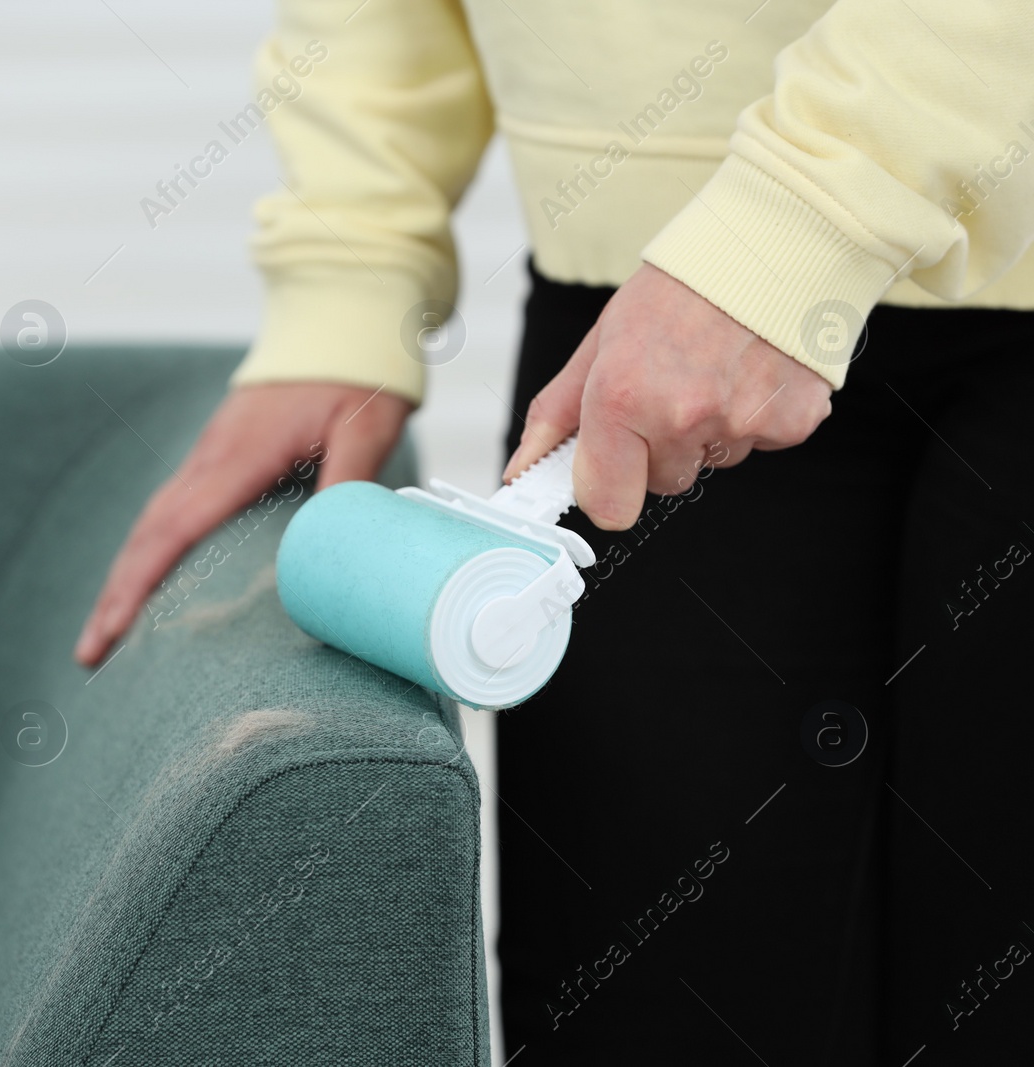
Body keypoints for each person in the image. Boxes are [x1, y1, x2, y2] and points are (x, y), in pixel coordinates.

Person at [76, 1, 1034, 1061]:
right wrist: (349, 272)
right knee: (647, 1012)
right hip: (654, 323)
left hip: (814, 252)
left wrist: (801, 220)